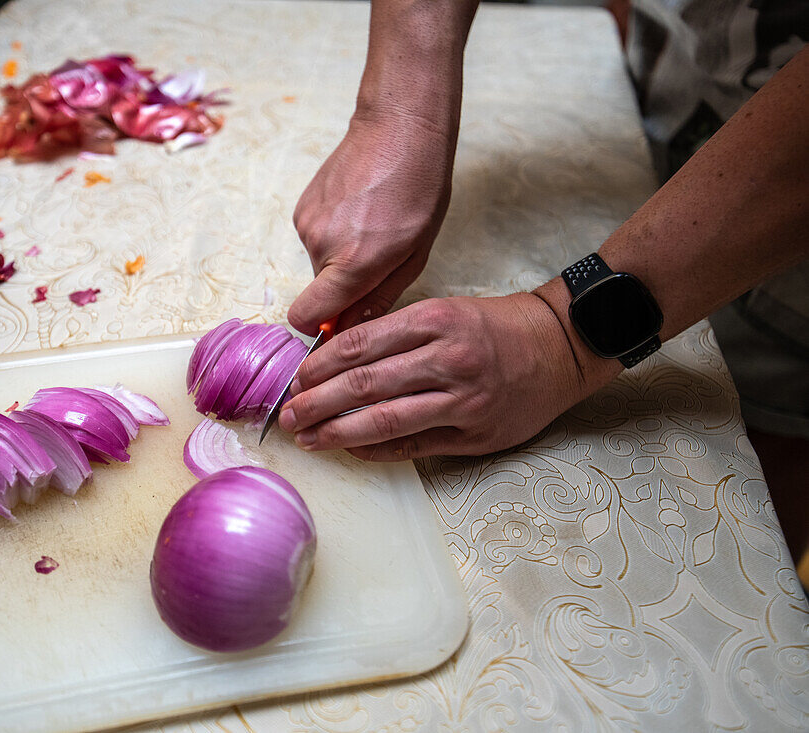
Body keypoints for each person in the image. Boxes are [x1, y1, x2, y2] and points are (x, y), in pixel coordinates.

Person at [276, 0, 808, 560]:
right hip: (678, 65)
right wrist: (399, 116)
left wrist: (563, 336)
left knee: (750, 469)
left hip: (788, 265)